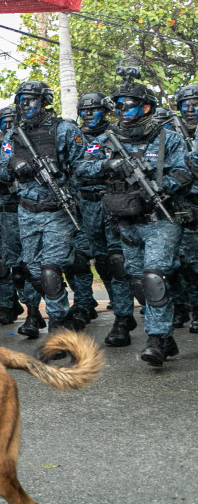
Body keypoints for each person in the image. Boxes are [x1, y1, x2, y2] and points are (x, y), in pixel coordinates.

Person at [78, 79, 189, 364]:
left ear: (146, 107)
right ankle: (165, 337)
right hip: (126, 221)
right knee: (138, 281)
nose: (122, 109)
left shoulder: (167, 138)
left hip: (159, 219)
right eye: (118, 105)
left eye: (128, 104)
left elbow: (185, 172)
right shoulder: (107, 140)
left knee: (154, 278)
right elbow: (82, 168)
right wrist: (108, 164)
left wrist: (163, 185)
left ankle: (156, 339)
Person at [0, 81, 84, 336]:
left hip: (57, 209)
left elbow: (85, 166)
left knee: (50, 269)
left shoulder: (64, 129)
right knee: (33, 270)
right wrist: (15, 164)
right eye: (20, 100)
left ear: (45, 101)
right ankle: (65, 315)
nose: (24, 105)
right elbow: (2, 173)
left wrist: (63, 179)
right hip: (27, 211)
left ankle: (57, 324)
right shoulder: (12, 135)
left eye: (30, 99)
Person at [69, 92, 132, 334]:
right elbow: (75, 169)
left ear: (105, 111)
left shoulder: (117, 134)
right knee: (89, 259)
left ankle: (123, 314)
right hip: (83, 204)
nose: (88, 114)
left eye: (93, 110)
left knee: (117, 259)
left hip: (114, 202)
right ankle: (85, 305)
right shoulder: (74, 136)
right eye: (84, 111)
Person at [0, 106, 41, 328]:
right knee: (0, 263)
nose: (8, 125)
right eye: (4, 121)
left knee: (27, 265)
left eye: (12, 120)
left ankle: (32, 310)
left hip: (25, 208)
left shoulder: (26, 145)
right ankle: (7, 306)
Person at [171, 84, 198, 333]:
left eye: (195, 104)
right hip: (186, 202)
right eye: (185, 105)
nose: (190, 109)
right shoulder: (170, 132)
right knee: (187, 263)